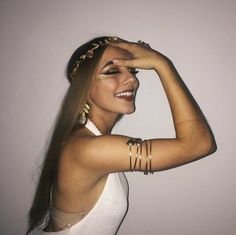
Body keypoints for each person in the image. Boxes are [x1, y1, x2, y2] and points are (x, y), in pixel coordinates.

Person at [27, 36, 216, 234]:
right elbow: (199, 144)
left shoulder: (86, 139)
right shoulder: (89, 149)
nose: (132, 79)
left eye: (132, 70)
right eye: (112, 71)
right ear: (85, 87)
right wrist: (162, 64)